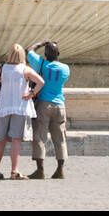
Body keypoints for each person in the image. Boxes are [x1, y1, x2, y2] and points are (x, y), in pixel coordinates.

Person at [0, 43, 42, 180]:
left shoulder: (2, 68)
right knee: (16, 140)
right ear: (22, 56)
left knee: (1, 140)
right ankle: (14, 171)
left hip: (3, 107)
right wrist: (32, 93)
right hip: (20, 107)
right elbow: (41, 81)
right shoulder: (25, 69)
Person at [26, 39, 70, 179]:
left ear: (45, 54)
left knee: (40, 136)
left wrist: (42, 43)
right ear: (59, 53)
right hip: (60, 105)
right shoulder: (65, 68)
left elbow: (28, 50)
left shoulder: (42, 64)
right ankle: (60, 170)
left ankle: (40, 170)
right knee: (60, 138)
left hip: (44, 104)